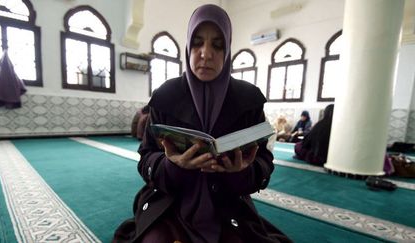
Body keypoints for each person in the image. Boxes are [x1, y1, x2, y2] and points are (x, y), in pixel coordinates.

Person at [113, 4, 291, 243]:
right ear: (188, 46)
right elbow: (146, 158)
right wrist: (173, 165)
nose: (206, 54)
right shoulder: (166, 96)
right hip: (170, 202)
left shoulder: (248, 100)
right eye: (197, 42)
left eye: (217, 45)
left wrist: (241, 172)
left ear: (227, 49)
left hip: (228, 205)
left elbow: (264, 164)